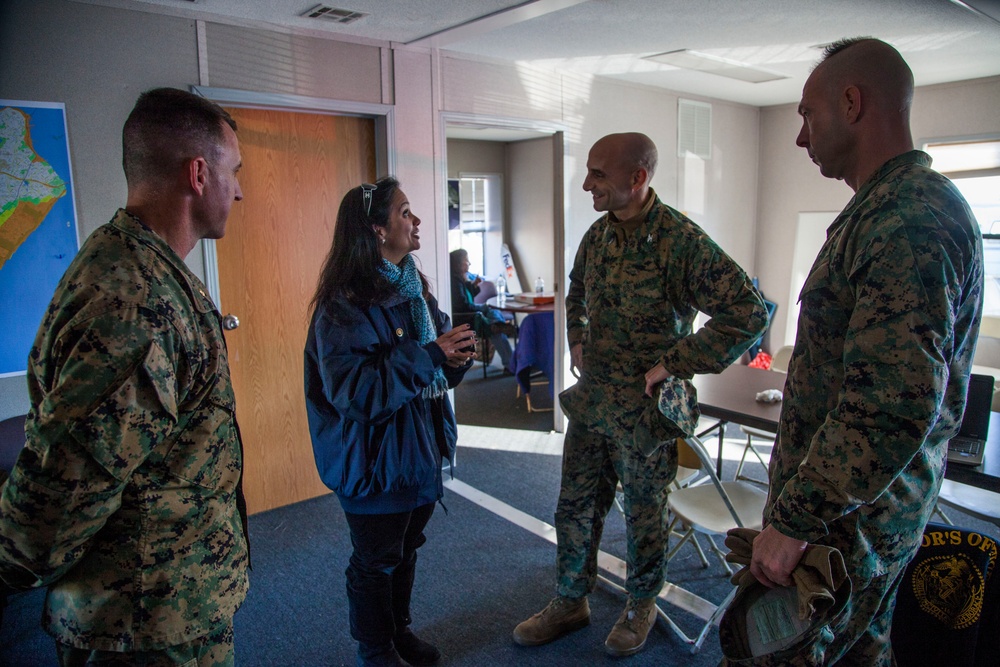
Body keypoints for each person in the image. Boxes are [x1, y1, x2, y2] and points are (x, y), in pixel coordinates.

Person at [747, 38, 984, 665]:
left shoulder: (908, 219)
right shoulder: (886, 210)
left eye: (806, 114)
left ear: (851, 102)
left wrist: (794, 521)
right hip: (855, 514)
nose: (800, 136)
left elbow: (889, 407)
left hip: (849, 526)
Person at [0, 88, 250, 664]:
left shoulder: (144, 264)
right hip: (144, 623)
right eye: (232, 171)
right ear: (198, 173)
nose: (238, 189)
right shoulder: (134, 303)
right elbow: (59, 494)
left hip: (163, 602)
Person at [513, 132, 768, 657]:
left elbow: (749, 311)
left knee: (644, 516)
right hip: (594, 402)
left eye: (598, 174)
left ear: (638, 178)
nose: (587, 184)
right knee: (575, 508)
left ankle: (640, 605)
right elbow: (576, 286)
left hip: (647, 414)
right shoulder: (598, 235)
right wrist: (578, 336)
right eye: (588, 172)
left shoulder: (681, 242)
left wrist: (677, 361)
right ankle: (569, 599)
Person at [304, 178, 477, 667]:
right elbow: (357, 393)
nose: (417, 221)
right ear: (377, 230)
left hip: (418, 450)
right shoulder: (343, 306)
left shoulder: (411, 286)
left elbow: (435, 360)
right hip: (373, 460)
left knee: (406, 548)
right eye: (405, 212)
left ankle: (399, 632)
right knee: (376, 560)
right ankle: (376, 649)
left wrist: (457, 357)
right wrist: (430, 355)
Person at [449, 248, 515, 371]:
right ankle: (510, 363)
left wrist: (474, 284)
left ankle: (498, 325)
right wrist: (483, 307)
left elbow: (468, 296)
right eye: (466, 260)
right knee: (492, 317)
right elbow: (464, 306)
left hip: (470, 315)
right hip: (465, 319)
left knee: (495, 326)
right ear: (458, 263)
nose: (469, 263)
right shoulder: (454, 282)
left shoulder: (460, 279)